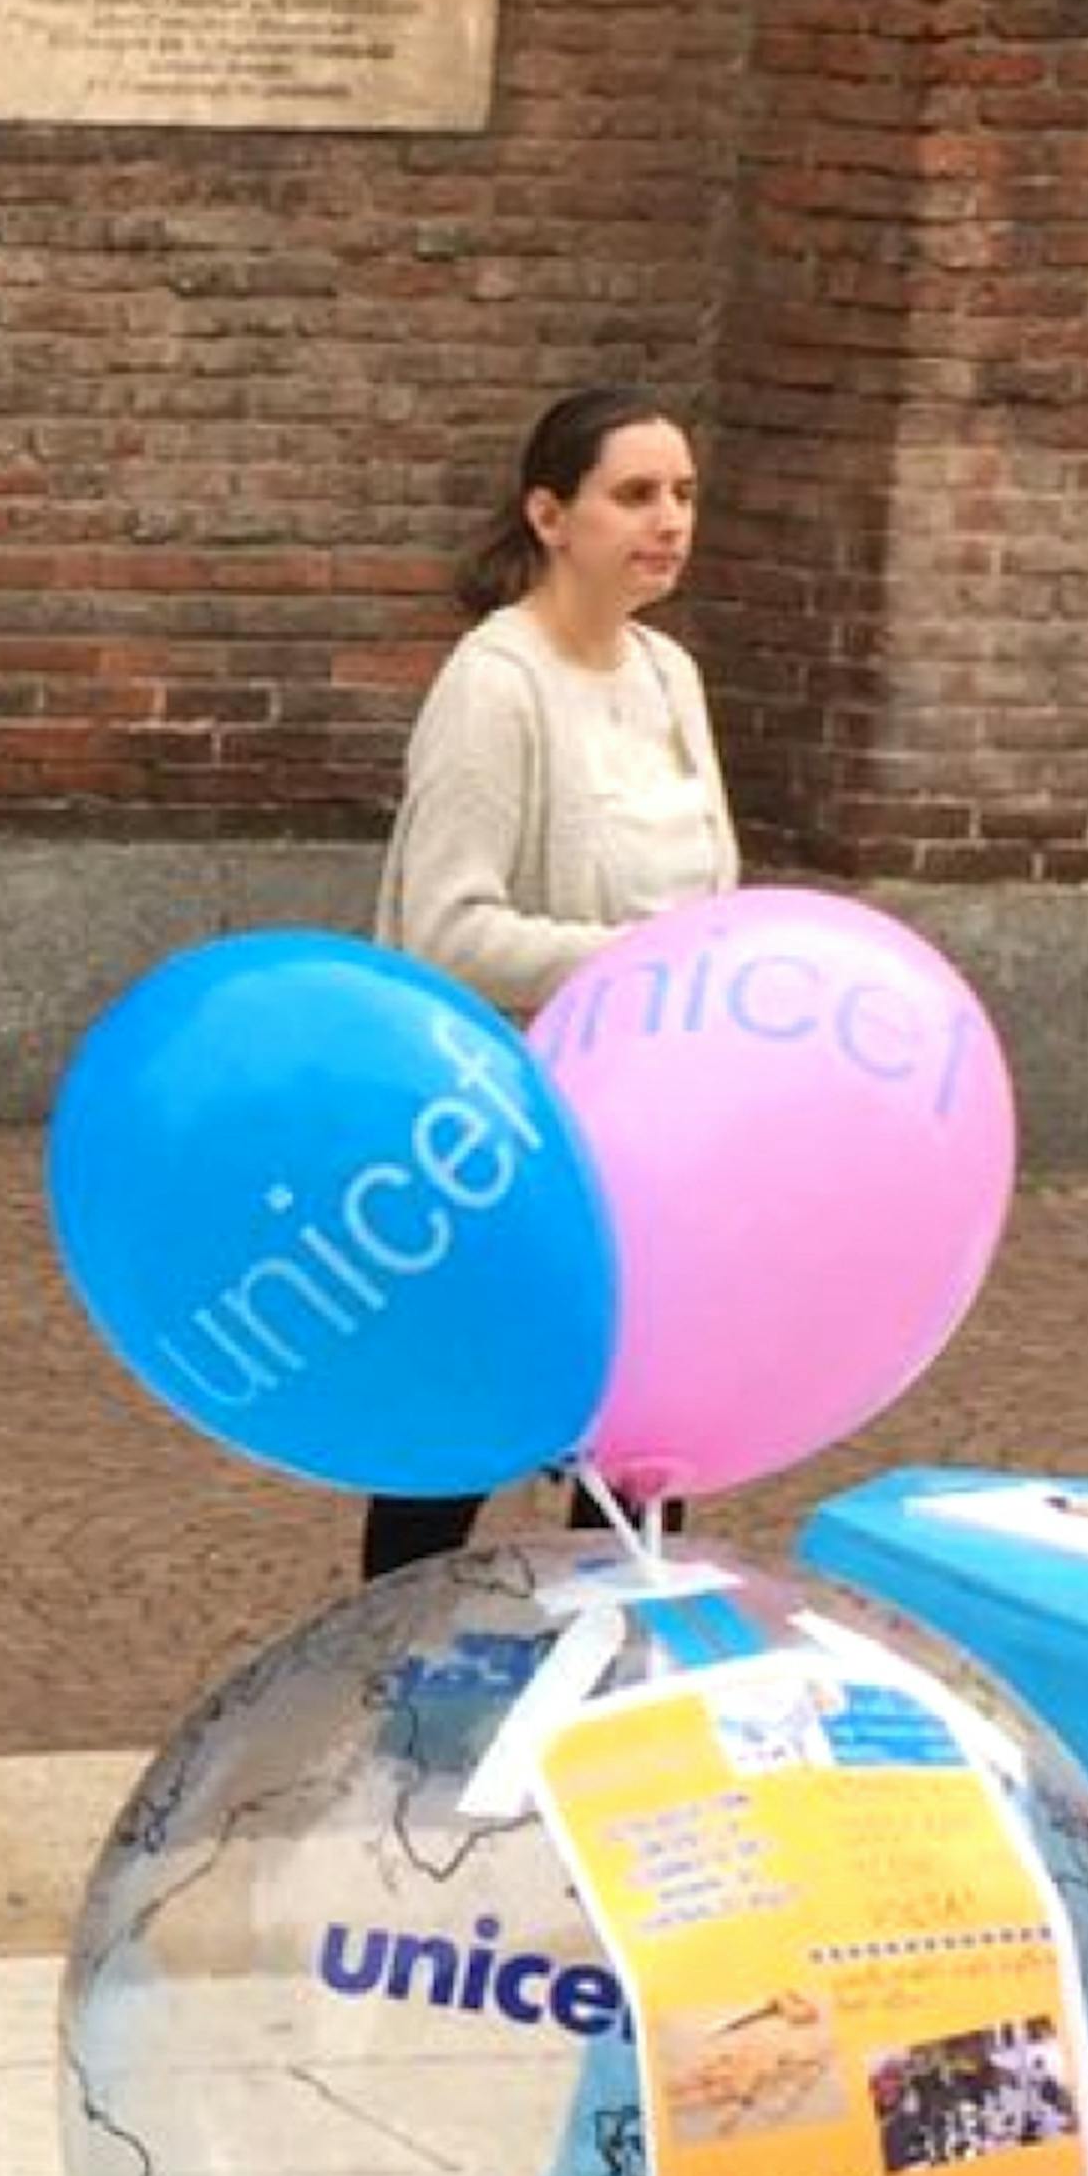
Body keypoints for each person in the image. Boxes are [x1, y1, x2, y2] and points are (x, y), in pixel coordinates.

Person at [363, 381, 733, 1575]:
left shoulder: (670, 674)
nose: (667, 519)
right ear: (548, 514)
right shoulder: (495, 684)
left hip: (651, 1116)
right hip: (507, 1125)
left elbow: (711, 885)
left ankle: (612, 1689)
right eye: (633, 495)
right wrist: (644, 961)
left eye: (681, 494)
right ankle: (397, 1678)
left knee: (643, 1437)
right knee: (462, 1424)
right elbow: (446, 931)